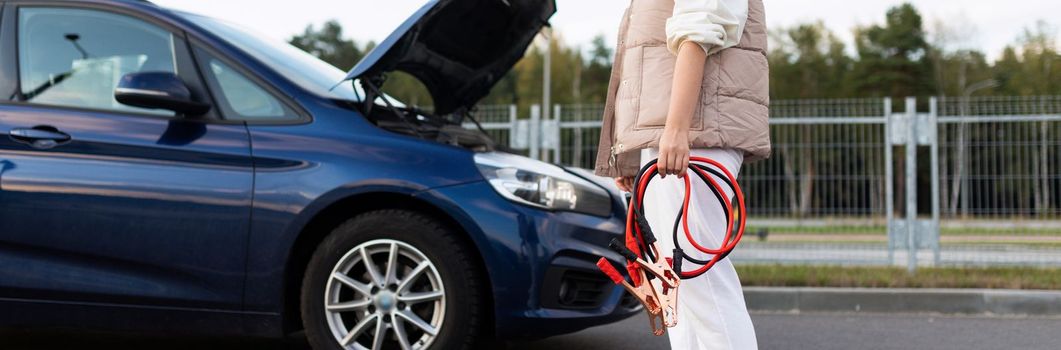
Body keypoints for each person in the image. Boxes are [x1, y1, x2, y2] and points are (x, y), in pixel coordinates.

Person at [594, 0, 771, 348]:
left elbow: (700, 28)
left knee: (701, 283)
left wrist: (676, 129)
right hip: (674, 135)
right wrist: (635, 155)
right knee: (674, 284)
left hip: (693, 132)